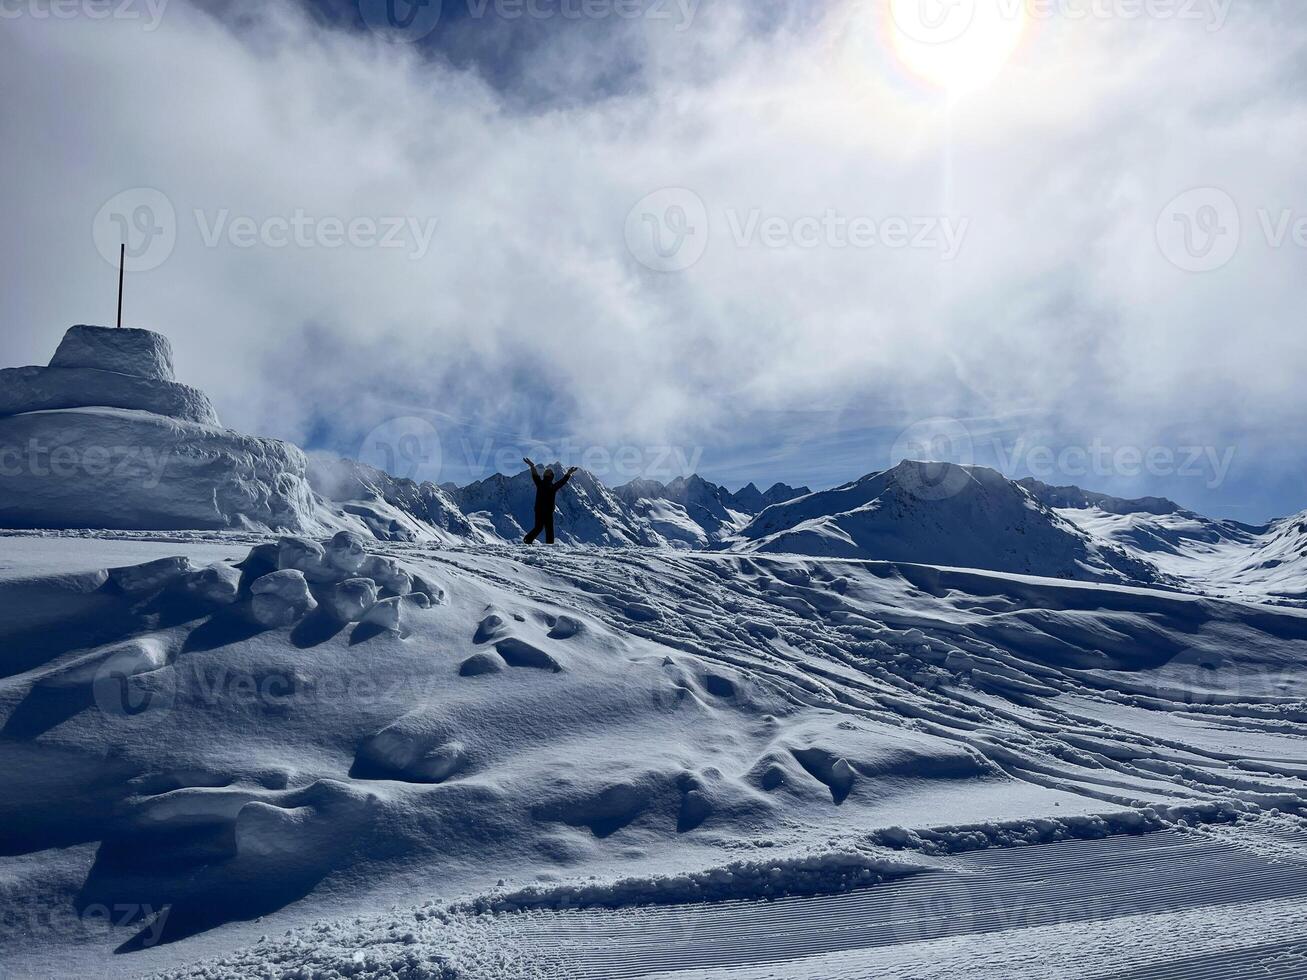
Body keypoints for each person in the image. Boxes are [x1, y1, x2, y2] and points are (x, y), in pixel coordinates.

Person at [523, 458, 578, 545]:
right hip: (547, 511)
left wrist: (532, 466)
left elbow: (535, 475)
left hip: (539, 509)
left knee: (539, 527)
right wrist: (568, 474)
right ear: (552, 477)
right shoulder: (552, 487)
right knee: (549, 529)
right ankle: (549, 545)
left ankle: (528, 540)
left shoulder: (540, 484)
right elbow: (562, 482)